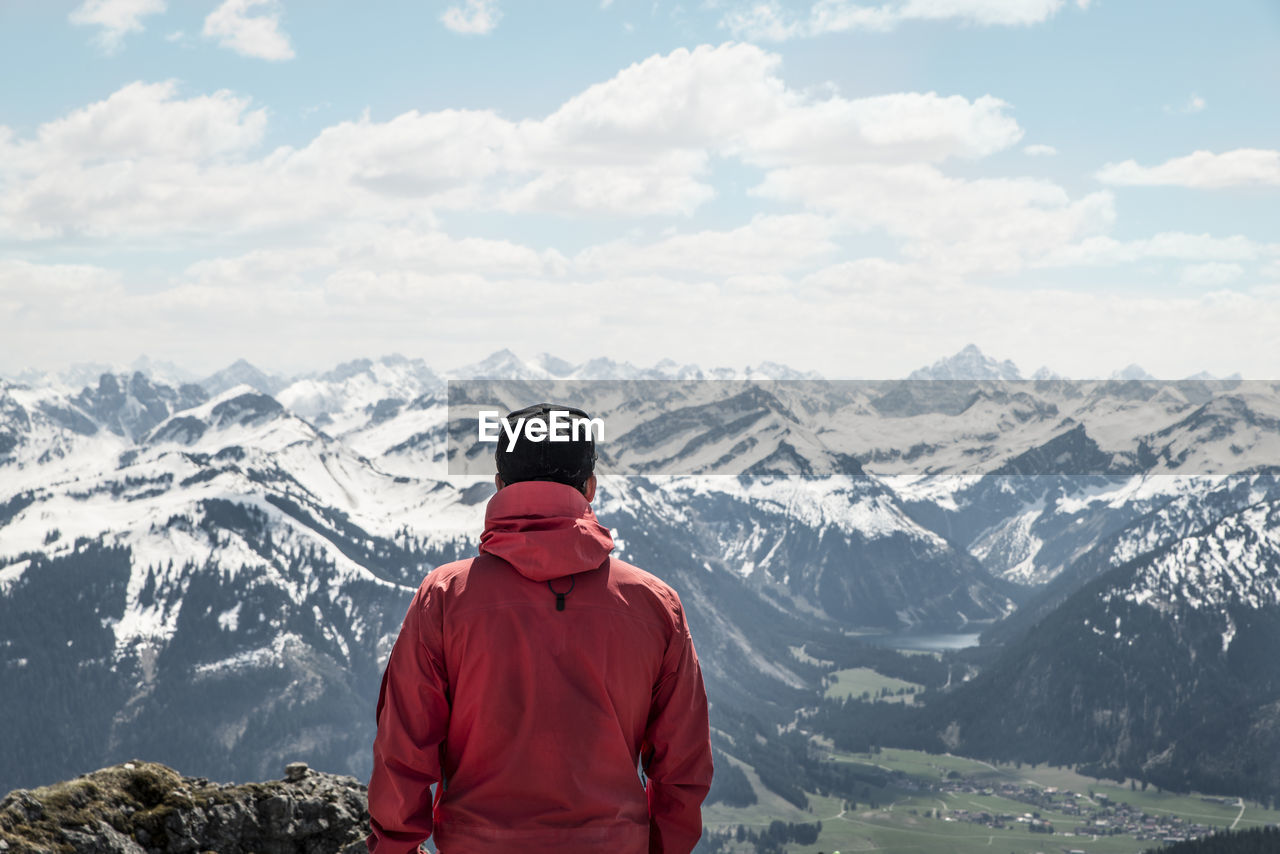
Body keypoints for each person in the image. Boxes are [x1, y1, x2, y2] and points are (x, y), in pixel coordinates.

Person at [366, 403, 713, 854]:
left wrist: (396, 849)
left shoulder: (445, 597)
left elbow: (403, 751)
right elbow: (682, 765)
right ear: (589, 488)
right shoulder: (655, 604)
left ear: (500, 486)